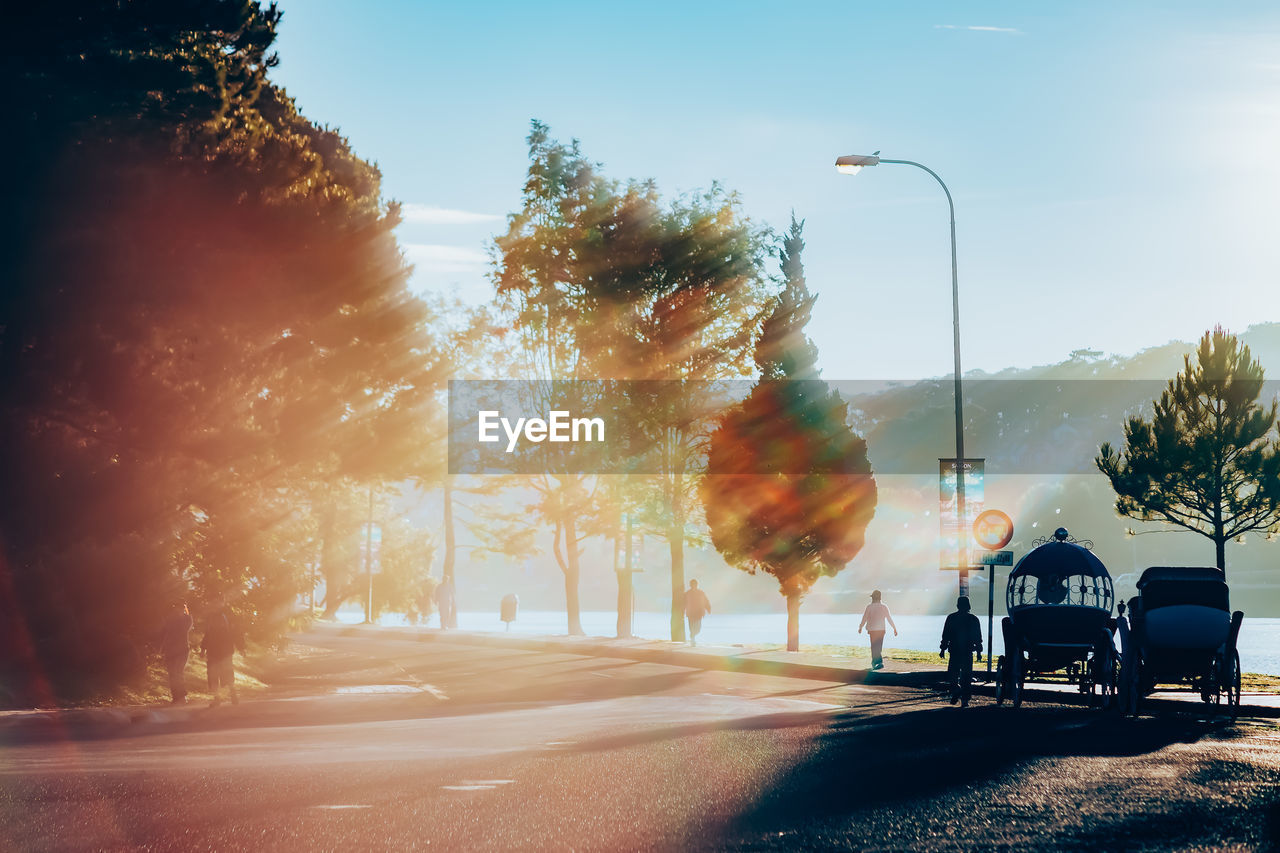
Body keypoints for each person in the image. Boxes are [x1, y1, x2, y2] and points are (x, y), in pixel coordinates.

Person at [940, 595, 983, 707]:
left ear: (957, 605)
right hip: (968, 651)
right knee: (967, 676)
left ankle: (956, 689)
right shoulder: (974, 619)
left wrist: (942, 649)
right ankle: (965, 700)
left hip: (954, 651)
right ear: (968, 605)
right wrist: (978, 652)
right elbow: (978, 638)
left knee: (953, 674)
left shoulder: (951, 618)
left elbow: (946, 635)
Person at [201, 606, 244, 706]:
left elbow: (236, 637)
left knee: (218, 675)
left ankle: (226, 695)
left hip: (222, 655)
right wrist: (203, 650)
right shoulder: (218, 629)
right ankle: (222, 696)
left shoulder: (225, 629)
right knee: (217, 676)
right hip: (218, 654)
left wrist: (241, 648)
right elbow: (206, 639)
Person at [159, 601, 192, 704]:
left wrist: (179, 617)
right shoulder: (170, 619)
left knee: (178, 672)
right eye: (176, 607)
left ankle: (182, 696)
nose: (178, 609)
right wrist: (162, 648)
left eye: (181, 607)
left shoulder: (187, 619)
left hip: (182, 649)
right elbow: (166, 634)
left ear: (184, 608)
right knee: (172, 673)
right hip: (171, 649)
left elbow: (184, 629)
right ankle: (176, 697)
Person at [857, 589, 898, 670]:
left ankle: (876, 662)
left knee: (874, 646)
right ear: (880, 598)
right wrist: (894, 628)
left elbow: (864, 618)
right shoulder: (884, 607)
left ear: (873, 598)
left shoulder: (869, 607)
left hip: (872, 630)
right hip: (881, 629)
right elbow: (889, 618)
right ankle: (878, 662)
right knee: (878, 646)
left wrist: (860, 627)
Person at [684, 580, 711, 646]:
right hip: (690, 613)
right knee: (691, 627)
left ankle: (692, 635)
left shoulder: (701, 593)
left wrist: (708, 608)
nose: (694, 586)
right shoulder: (687, 593)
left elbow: (705, 601)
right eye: (693, 584)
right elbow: (684, 603)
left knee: (698, 628)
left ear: (697, 585)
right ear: (690, 585)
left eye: (695, 584)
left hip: (699, 613)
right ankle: (692, 640)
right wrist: (682, 610)